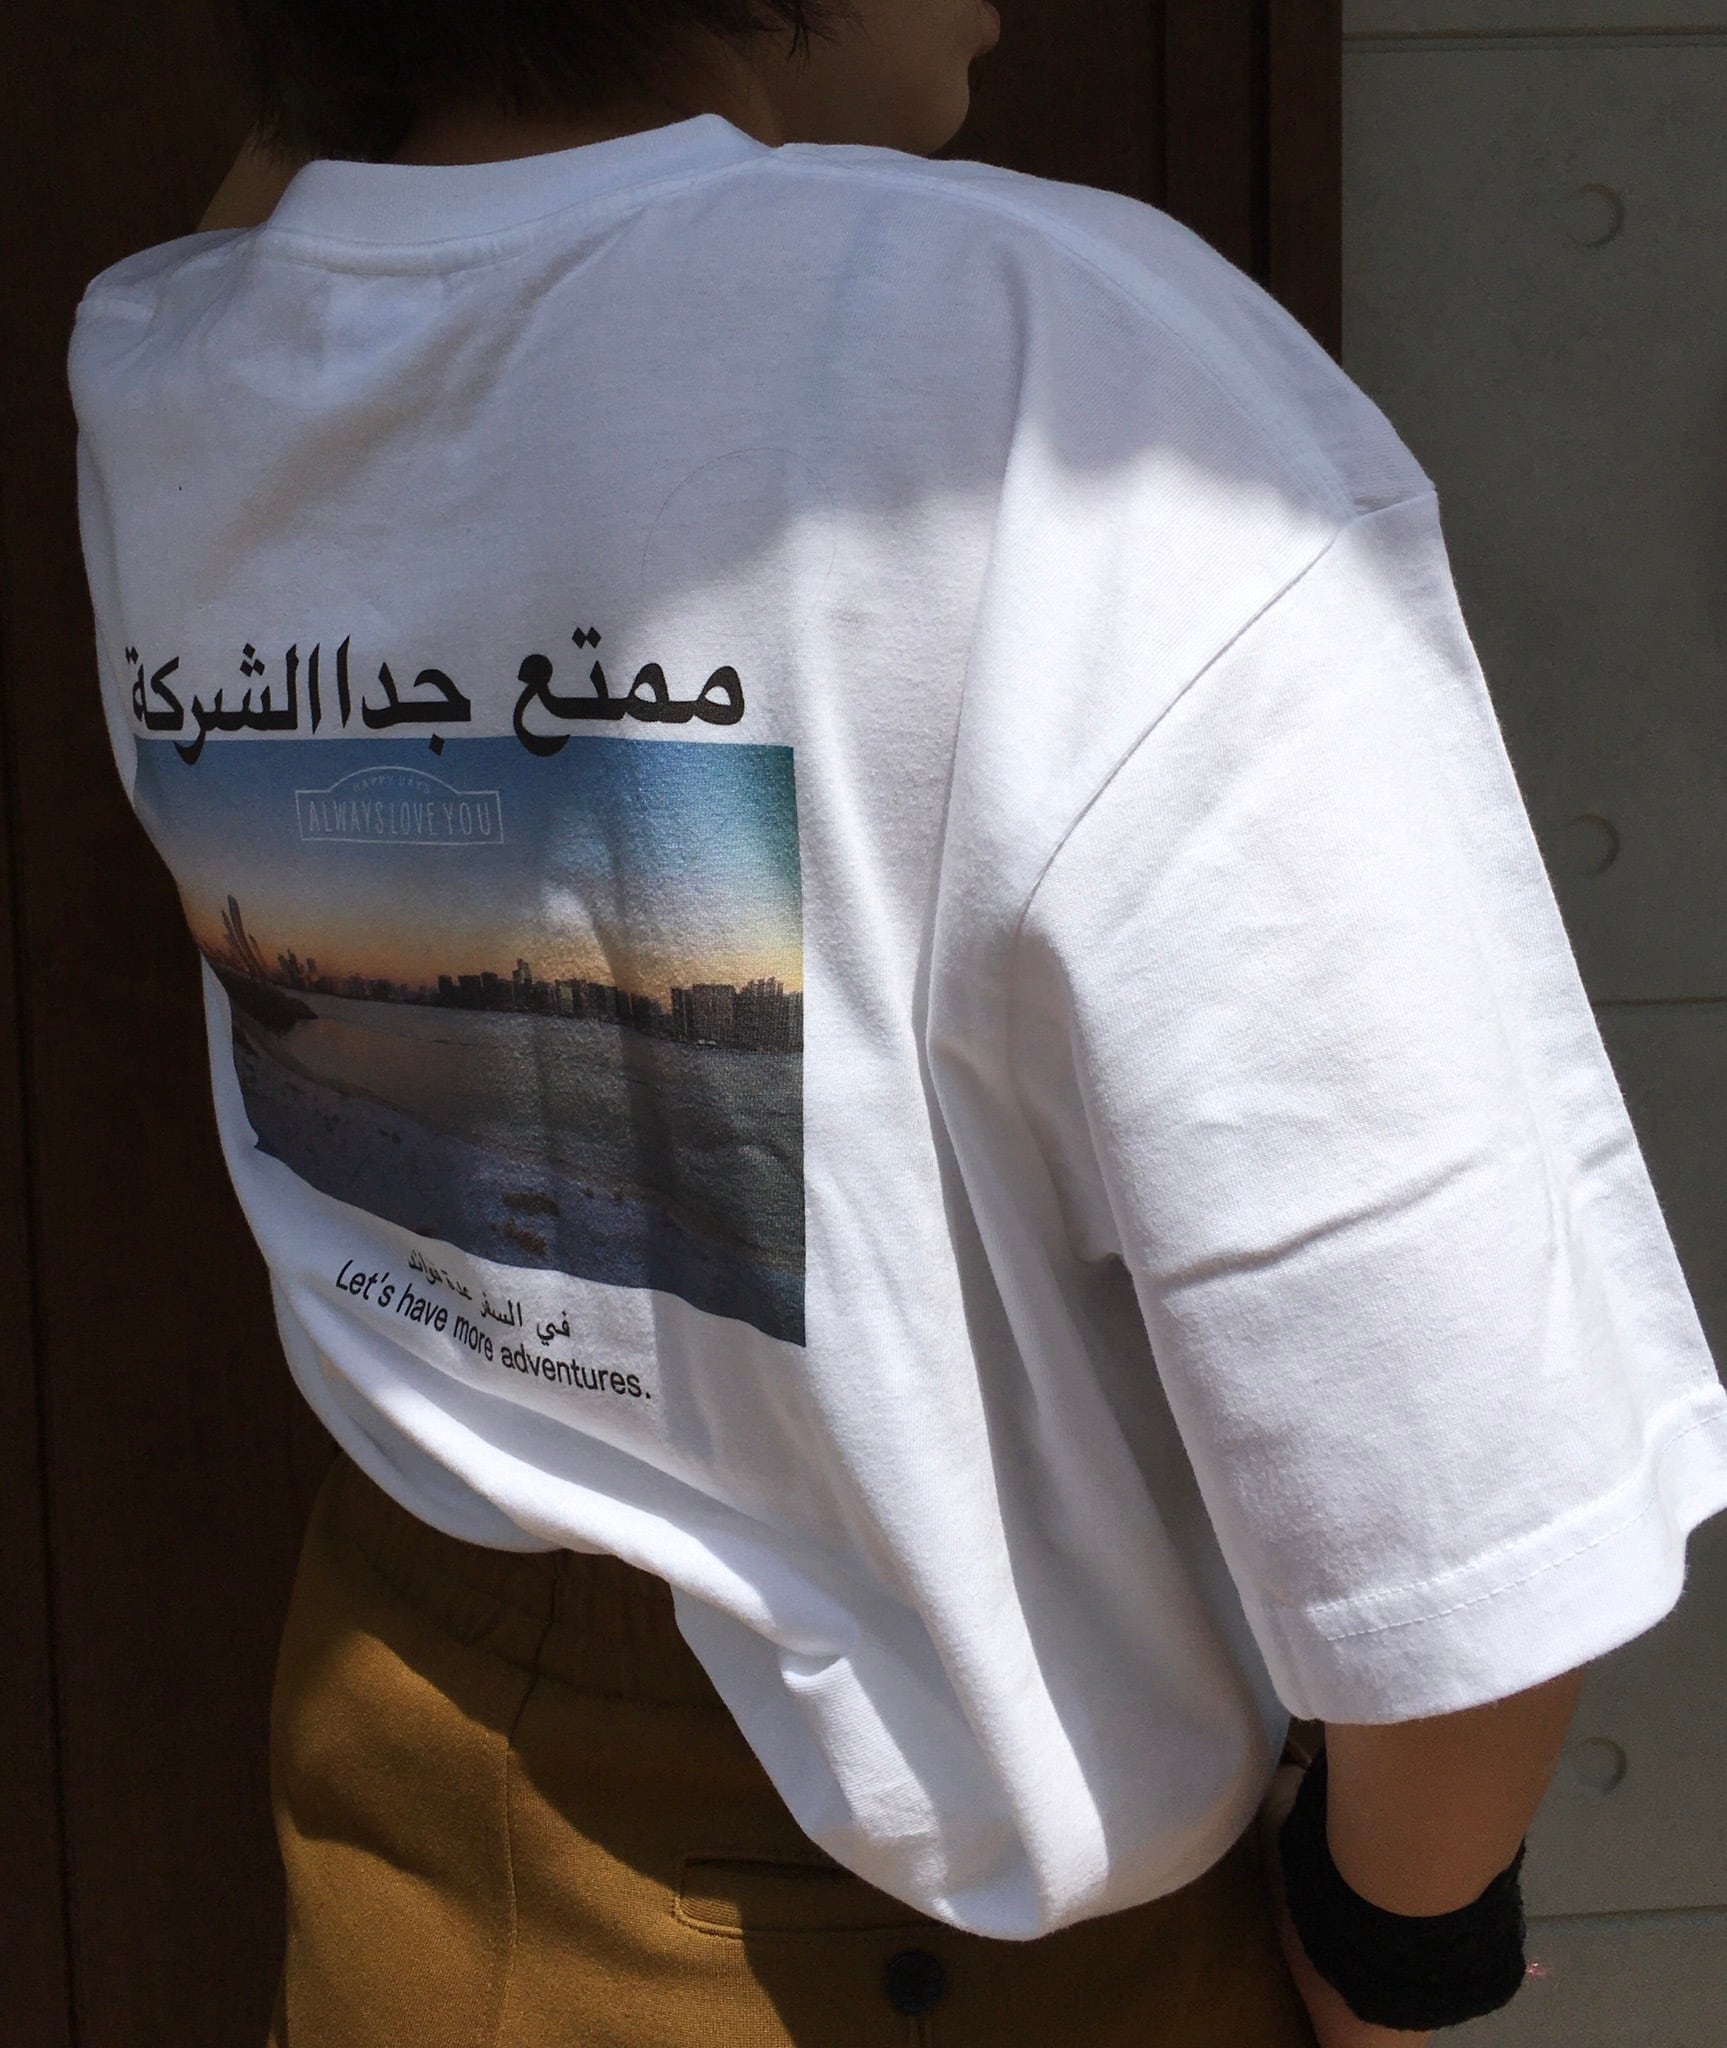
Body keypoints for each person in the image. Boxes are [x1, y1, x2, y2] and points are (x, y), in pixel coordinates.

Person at [68, 4, 1727, 2044]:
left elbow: (314, 193)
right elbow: (1453, 1464)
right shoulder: (1046, 370)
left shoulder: (177, 362)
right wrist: (1402, 1956)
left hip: (405, 1803)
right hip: (915, 1946)